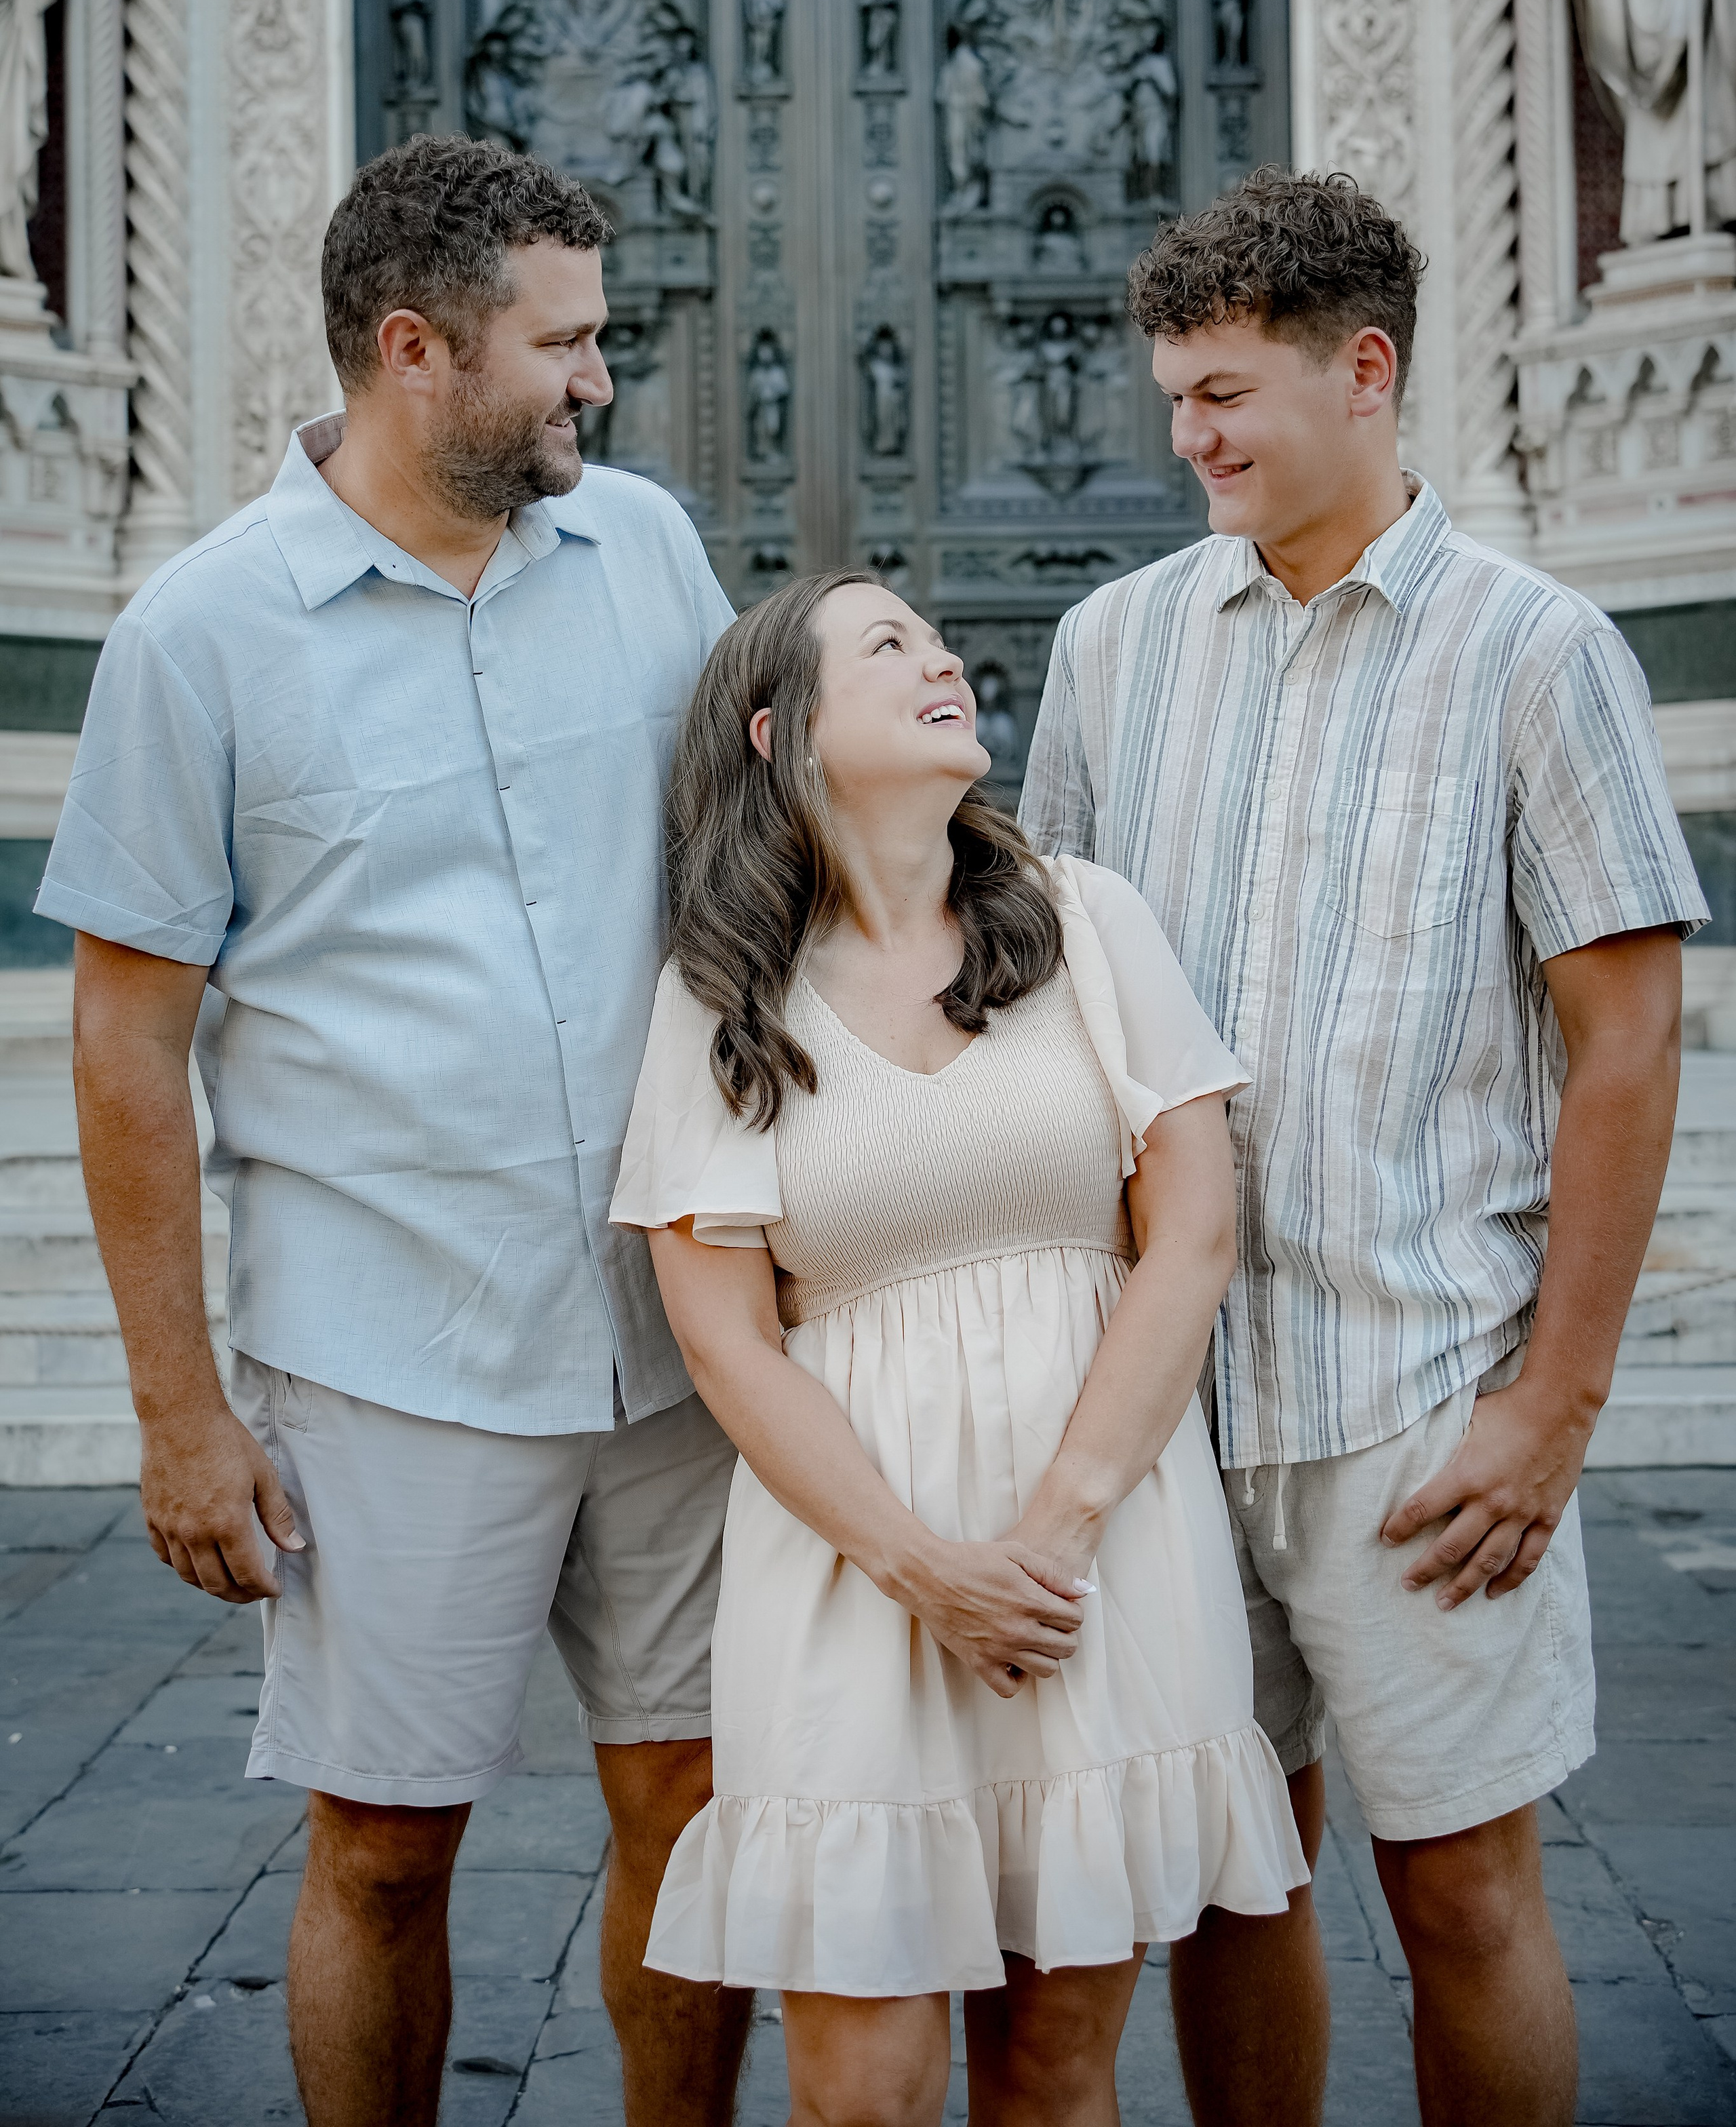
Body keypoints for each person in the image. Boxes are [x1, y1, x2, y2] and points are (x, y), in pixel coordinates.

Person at [36, 134, 749, 2127]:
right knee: (383, 1842)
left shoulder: (653, 556)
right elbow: (125, 1043)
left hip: (684, 1329)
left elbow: (764, 876)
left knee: (692, 1802)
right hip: (391, 1352)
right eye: (567, 343)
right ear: (417, 349)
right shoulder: (199, 636)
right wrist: (179, 1411)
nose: (602, 379)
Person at [1020, 165, 1705, 2127]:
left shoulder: (1539, 652)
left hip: (1416, 1403)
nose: (1191, 436)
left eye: (1226, 391)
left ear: (1368, 370)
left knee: (1463, 1899)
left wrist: (1551, 1415)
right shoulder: (1112, 649)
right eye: (1175, 396)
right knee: (1237, 1889)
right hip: (1164, 1405)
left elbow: (1630, 1046)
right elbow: (1056, 989)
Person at [608, 571, 1309, 2127]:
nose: (941, 657)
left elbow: (1187, 1237)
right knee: (860, 2084)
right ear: (780, 734)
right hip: (856, 1572)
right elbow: (725, 1345)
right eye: (887, 646)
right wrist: (926, 1566)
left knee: (1054, 2067)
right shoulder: (718, 1002)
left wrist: (1047, 1543)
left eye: (936, 636)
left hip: (1095, 1558)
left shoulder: (1087, 918)